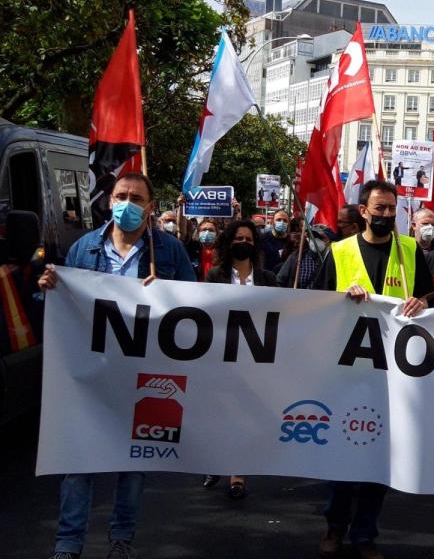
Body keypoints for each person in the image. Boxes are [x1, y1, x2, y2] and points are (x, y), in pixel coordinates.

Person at [38, 173, 196, 559]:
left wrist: (169, 296)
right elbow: (65, 306)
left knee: (134, 462)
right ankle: (68, 545)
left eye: (137, 198)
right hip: (91, 373)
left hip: (147, 374)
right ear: (110, 201)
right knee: (78, 460)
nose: (128, 203)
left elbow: (196, 307)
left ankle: (121, 540)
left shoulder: (170, 252)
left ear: (150, 206)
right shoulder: (83, 249)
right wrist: (47, 289)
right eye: (121, 196)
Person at [315, 180, 432, 559]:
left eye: (390, 209)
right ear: (362, 211)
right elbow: (316, 304)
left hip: (393, 375)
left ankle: (365, 534)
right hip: (349, 371)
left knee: (379, 460)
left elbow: (431, 297)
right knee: (344, 456)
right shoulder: (340, 251)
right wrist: (341, 299)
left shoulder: (411, 250)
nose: (385, 215)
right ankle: (334, 528)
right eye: (378, 208)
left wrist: (420, 301)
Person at [200, 220, 279, 498]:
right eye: (238, 238)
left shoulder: (268, 278)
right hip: (222, 355)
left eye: (248, 239)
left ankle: (238, 475)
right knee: (221, 413)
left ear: (255, 244)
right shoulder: (215, 276)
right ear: (228, 243)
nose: (243, 243)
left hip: (255, 358)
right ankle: (216, 462)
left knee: (245, 415)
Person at [277, 224, 336, 290]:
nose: (315, 239)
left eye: (320, 237)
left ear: (329, 240)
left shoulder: (333, 260)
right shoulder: (297, 257)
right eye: (313, 236)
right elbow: (280, 280)